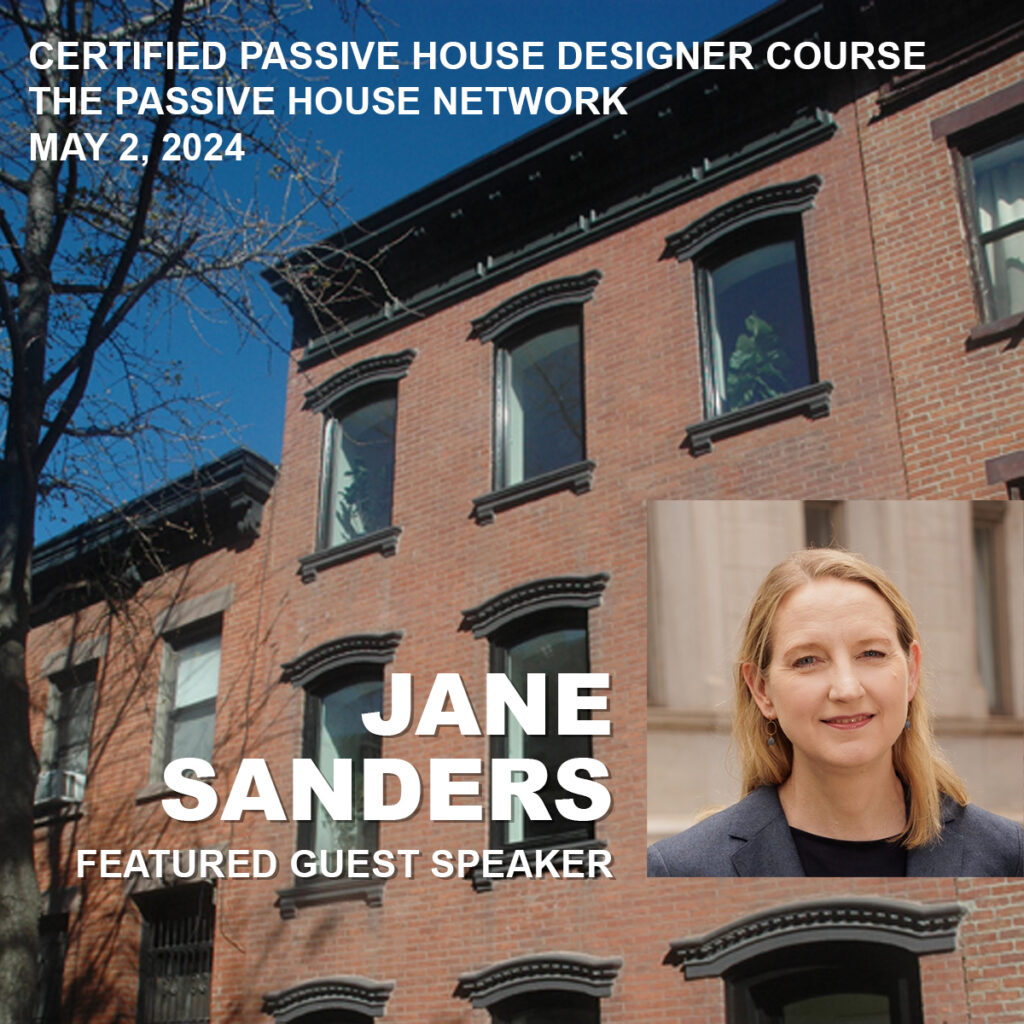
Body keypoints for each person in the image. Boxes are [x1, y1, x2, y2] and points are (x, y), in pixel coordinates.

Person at [647, 548, 1024, 877]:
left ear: (911, 672)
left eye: (871, 653)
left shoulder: (1009, 856)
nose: (846, 689)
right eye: (807, 660)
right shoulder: (676, 868)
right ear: (761, 690)